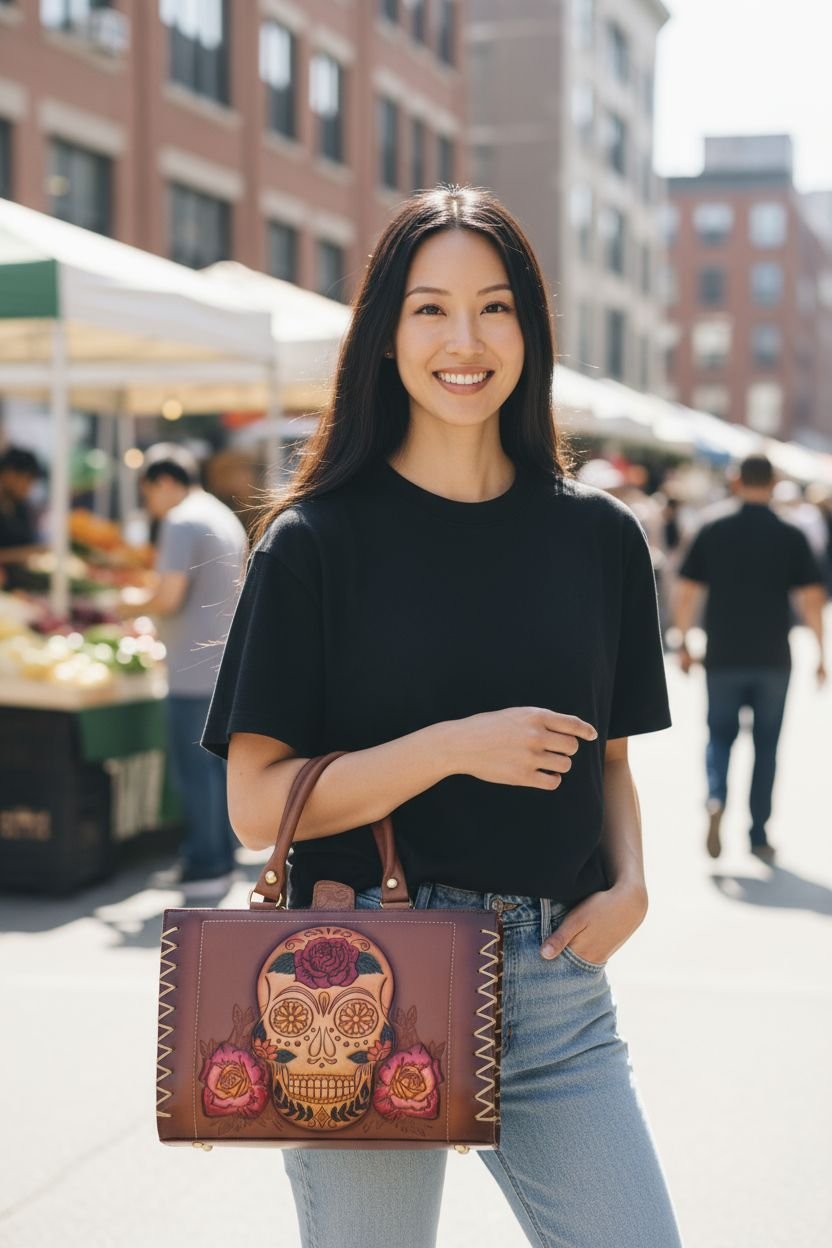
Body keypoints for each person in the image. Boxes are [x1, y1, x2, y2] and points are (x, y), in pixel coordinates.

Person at [202, 187, 682, 1248]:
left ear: (530, 330)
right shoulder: (316, 543)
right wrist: (449, 750)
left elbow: (605, 761)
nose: (464, 341)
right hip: (355, 977)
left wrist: (636, 881)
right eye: (429, 310)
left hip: (555, 985)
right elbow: (252, 803)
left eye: (495, 307)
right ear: (384, 335)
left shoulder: (600, 538)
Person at [673, 454, 827, 863]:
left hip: (723, 654)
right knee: (767, 746)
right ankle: (758, 834)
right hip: (774, 658)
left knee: (719, 735)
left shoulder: (713, 527)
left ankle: (715, 796)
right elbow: (812, 599)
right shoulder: (791, 534)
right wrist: (822, 653)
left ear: (736, 480)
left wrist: (685, 641)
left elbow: (687, 590)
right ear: (775, 482)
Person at [122, 443, 247, 892]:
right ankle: (219, 858)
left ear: (164, 482)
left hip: (192, 668)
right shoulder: (219, 514)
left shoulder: (181, 520)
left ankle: (206, 863)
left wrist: (127, 602)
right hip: (219, 664)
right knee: (213, 770)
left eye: (147, 493)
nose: (148, 504)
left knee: (195, 773)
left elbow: (168, 596)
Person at [0, 446, 47, 589]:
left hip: (20, 588)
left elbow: (30, 543)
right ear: (8, 473)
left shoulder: (22, 508)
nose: (29, 487)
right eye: (27, 479)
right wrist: (23, 554)